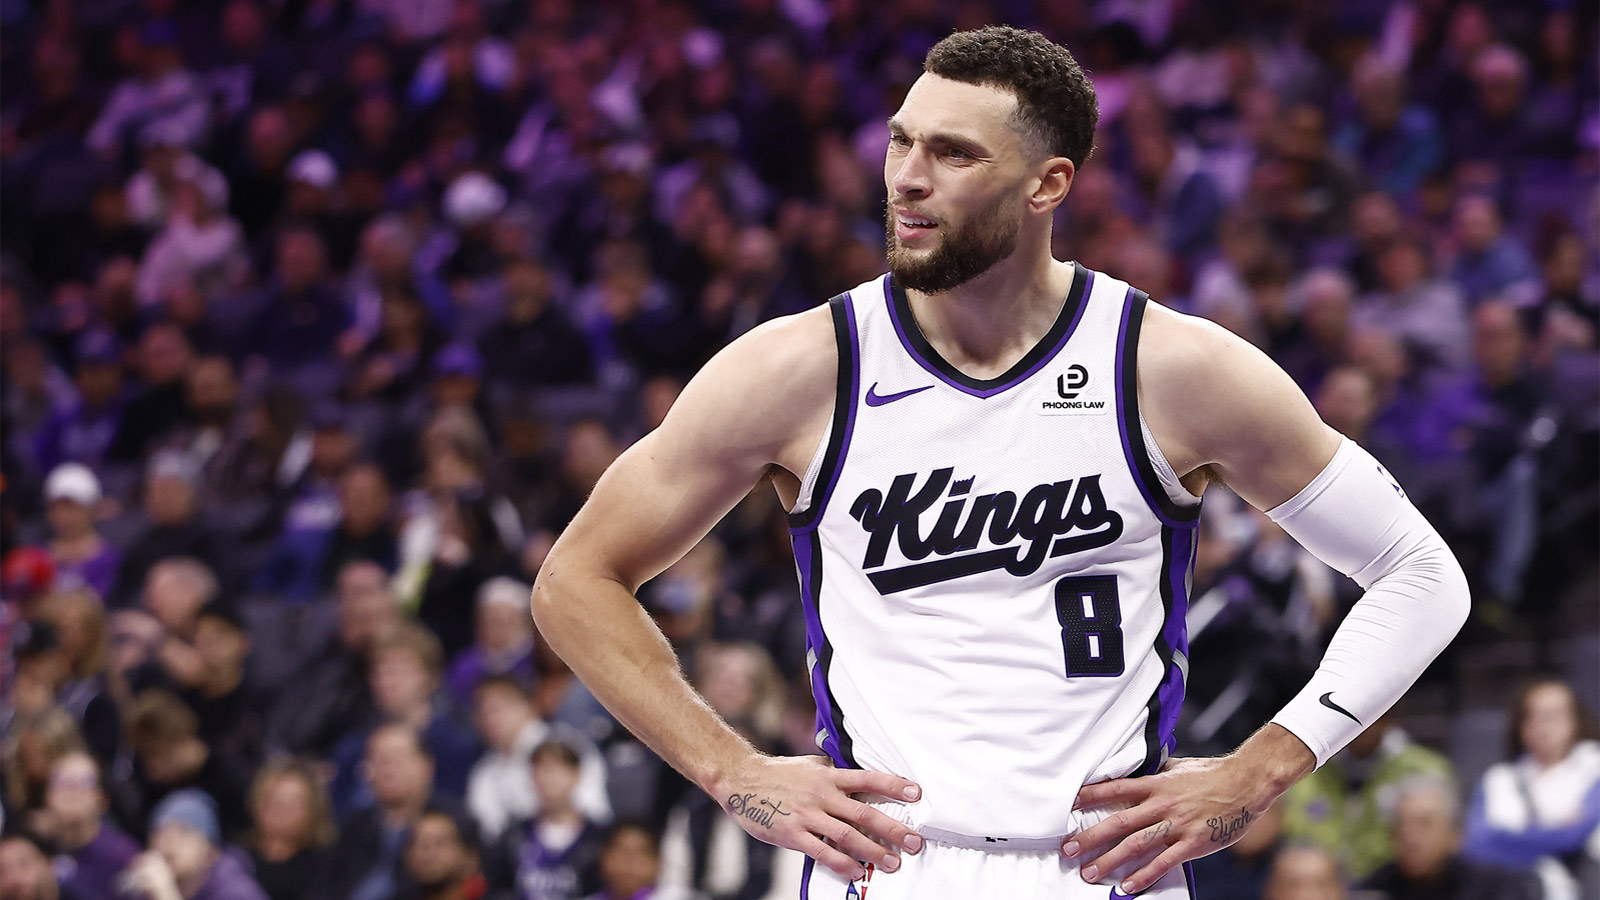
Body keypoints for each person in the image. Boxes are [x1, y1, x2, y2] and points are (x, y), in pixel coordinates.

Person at [530, 25, 1470, 898]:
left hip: (1107, 861)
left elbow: (1421, 573)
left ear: (1048, 185)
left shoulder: (1174, 367)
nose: (906, 177)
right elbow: (574, 580)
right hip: (886, 864)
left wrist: (1261, 769)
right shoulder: (801, 368)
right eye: (901, 142)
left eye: (953, 152)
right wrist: (729, 770)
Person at [1462, 677, 1600, 899]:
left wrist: (1511, 837)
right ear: (1521, 724)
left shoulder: (1594, 765)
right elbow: (1476, 845)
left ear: (1576, 719)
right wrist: (1555, 828)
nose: (1543, 725)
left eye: (1554, 715)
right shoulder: (1498, 779)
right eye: (1533, 715)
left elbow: (1573, 836)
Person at [1280, 715, 1455, 879]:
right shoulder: (1305, 769)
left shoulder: (1425, 768)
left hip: (1394, 882)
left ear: (1390, 715)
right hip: (1321, 882)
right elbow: (1293, 832)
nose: (1361, 724)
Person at [1361, 776, 1540, 900]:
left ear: (1455, 834)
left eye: (1424, 823)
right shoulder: (1374, 890)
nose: (1409, 835)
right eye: (1401, 823)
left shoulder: (1497, 887)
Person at [492, 739, 607, 900]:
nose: (548, 779)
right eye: (540, 770)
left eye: (555, 770)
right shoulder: (512, 837)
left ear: (576, 775)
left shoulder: (598, 839)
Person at [119, 789, 269, 900]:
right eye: (159, 831)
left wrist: (166, 895)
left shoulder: (237, 892)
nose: (168, 841)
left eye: (184, 832)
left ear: (210, 849)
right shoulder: (147, 889)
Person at [33, 750, 141, 900]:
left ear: (103, 799)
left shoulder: (122, 856)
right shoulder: (35, 851)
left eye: (84, 782)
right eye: (61, 782)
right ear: (47, 796)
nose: (71, 791)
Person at [243, 759, 336, 900]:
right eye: (274, 799)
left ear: (313, 811)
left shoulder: (325, 866)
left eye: (293, 802)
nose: (282, 810)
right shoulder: (237, 856)